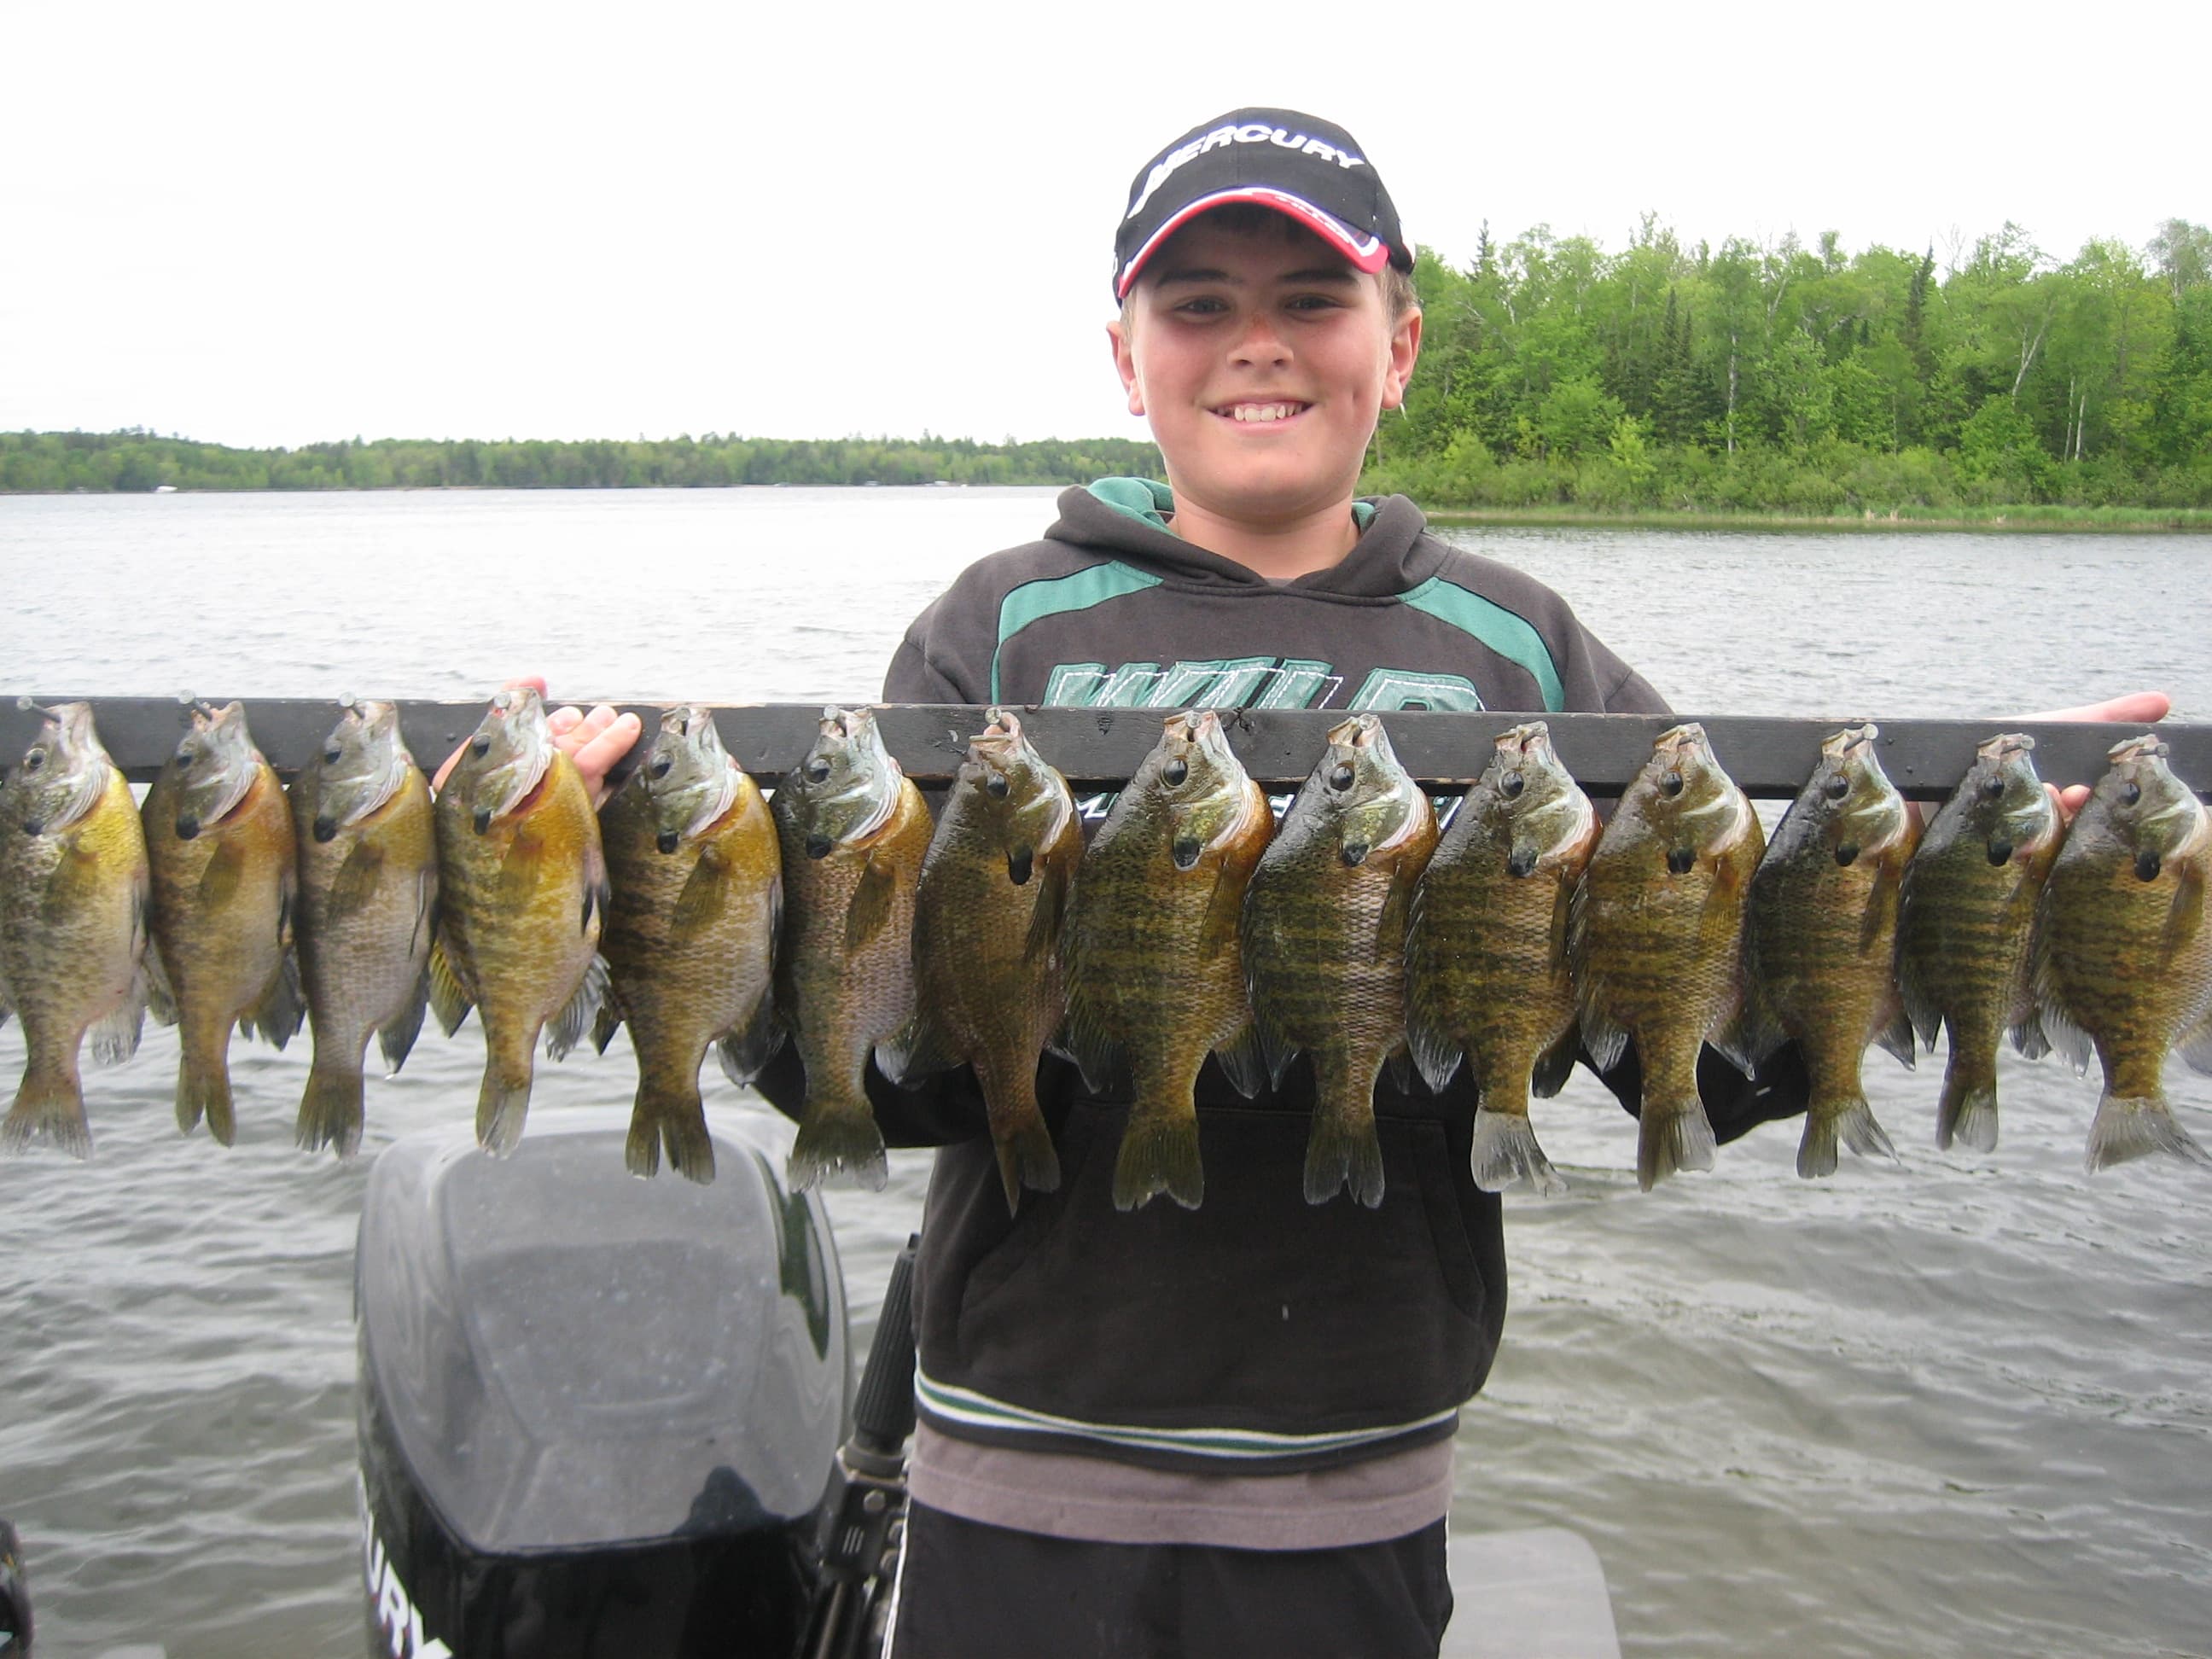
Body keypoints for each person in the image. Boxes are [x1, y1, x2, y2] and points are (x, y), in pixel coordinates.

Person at [509, 108, 2165, 1658]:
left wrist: (1976, 846)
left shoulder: (1520, 650)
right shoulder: (1002, 628)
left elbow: (1713, 1001)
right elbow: (882, 1033)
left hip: (1357, 1463)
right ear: (1123, 355)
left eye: (1314, 296)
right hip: (1021, 1442)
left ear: (1403, 344)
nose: (1258, 341)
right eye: (1199, 302)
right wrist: (606, 881)